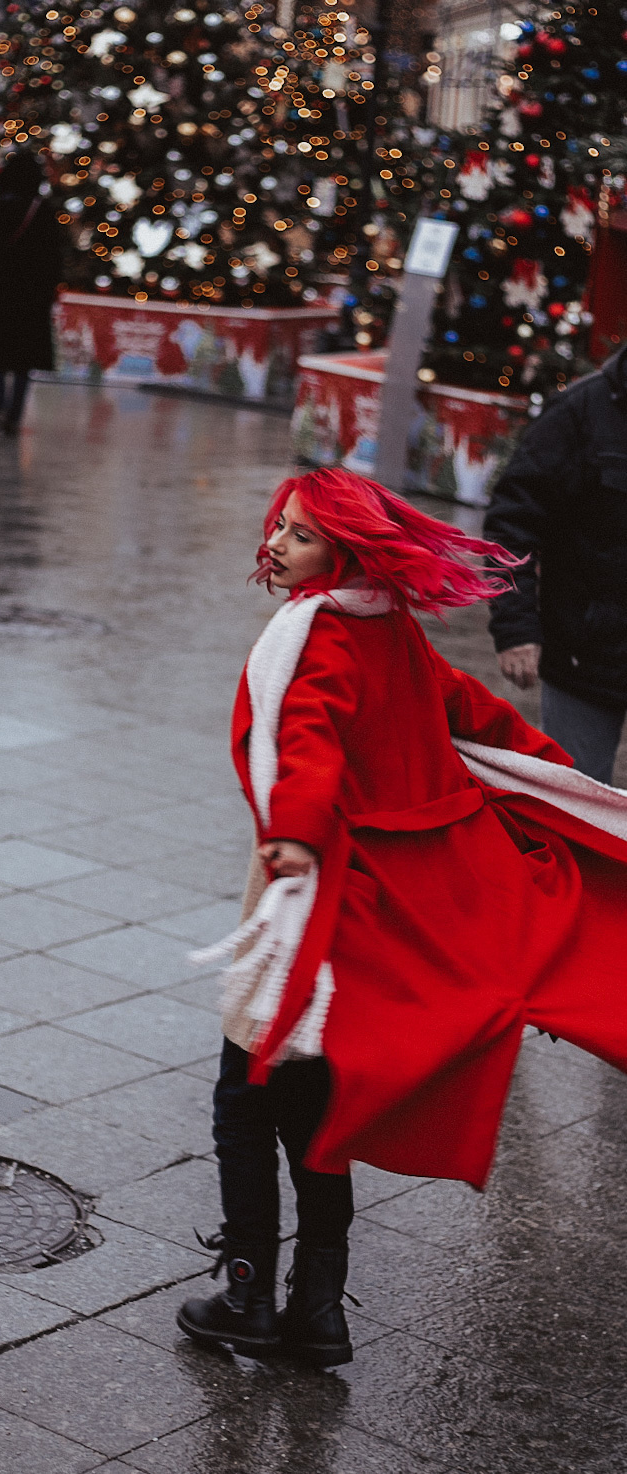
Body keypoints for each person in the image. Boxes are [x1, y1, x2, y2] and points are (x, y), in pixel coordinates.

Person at [175, 467, 627, 1363]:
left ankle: (247, 1293)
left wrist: (296, 837)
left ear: (342, 552)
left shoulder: (320, 636)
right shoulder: (393, 632)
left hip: (315, 898)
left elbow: (307, 741)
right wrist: (571, 786)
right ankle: (318, 1309)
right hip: (380, 910)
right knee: (319, 1108)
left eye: (300, 535)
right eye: (280, 527)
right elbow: (483, 718)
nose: (276, 544)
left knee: (246, 1094)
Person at [484, 348, 627, 785]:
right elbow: (512, 525)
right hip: (586, 653)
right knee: (575, 803)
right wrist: (516, 628)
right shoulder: (580, 413)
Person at [0, 150, 60, 437]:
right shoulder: (46, 211)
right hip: (34, 294)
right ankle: (15, 414)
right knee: (24, 359)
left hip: (3, 289)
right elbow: (56, 258)